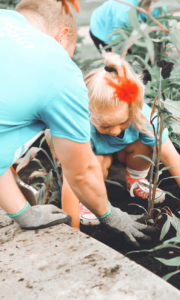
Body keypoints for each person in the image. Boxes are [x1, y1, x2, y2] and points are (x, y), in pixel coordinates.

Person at [0, 0, 156, 249]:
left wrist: (22, 214)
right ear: (62, 36)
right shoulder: (58, 69)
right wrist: (112, 216)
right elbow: (81, 172)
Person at [62, 52, 180, 228]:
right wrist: (73, 229)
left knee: (148, 145)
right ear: (88, 112)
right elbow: (72, 179)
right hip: (96, 154)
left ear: (133, 108)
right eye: (104, 125)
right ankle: (88, 198)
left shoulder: (145, 117)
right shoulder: (81, 126)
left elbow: (169, 155)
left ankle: (136, 180)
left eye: (122, 123)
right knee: (94, 163)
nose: (114, 131)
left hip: (129, 150)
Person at [89, 0, 167, 53]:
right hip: (102, 29)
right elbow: (117, 48)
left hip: (129, 25)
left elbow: (164, 35)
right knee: (113, 63)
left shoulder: (161, 6)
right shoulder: (125, 12)